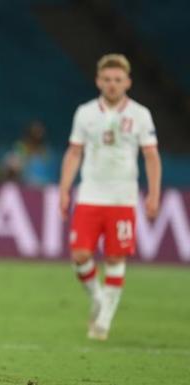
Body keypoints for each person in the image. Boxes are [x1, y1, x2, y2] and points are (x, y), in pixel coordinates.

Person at [59, 54, 161, 340]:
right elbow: (74, 152)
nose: (112, 85)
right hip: (90, 194)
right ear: (98, 81)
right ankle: (99, 298)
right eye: (107, 79)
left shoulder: (140, 114)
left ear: (127, 82)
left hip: (123, 198)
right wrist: (64, 189)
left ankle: (104, 319)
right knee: (80, 254)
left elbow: (151, 156)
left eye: (118, 80)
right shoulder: (85, 112)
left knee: (115, 258)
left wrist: (153, 194)